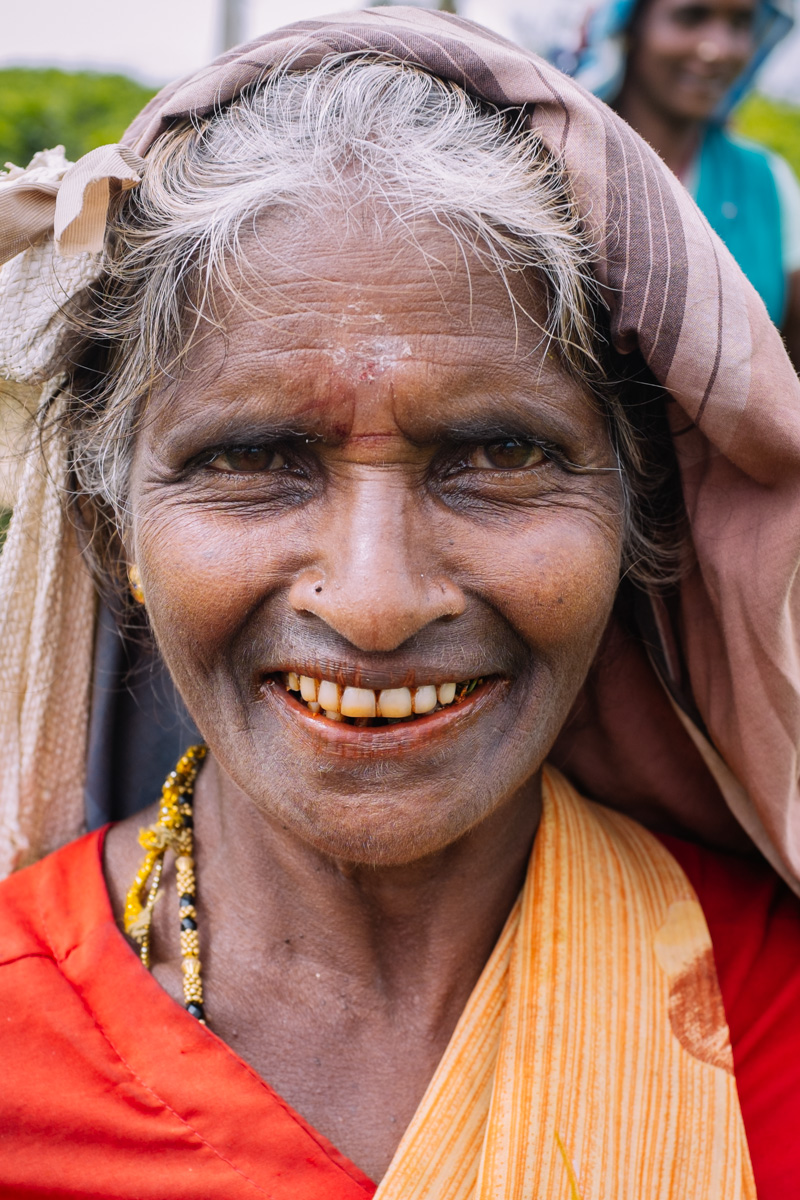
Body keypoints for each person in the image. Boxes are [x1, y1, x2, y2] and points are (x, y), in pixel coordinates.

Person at [1, 9, 800, 1197]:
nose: (373, 601)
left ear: (642, 516)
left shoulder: (770, 1013)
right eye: (251, 457)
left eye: (495, 453)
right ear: (115, 523)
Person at [571, 0, 800, 367]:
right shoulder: (556, 167)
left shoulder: (767, 182)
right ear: (630, 26)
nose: (719, 48)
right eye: (691, 17)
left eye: (741, 23)